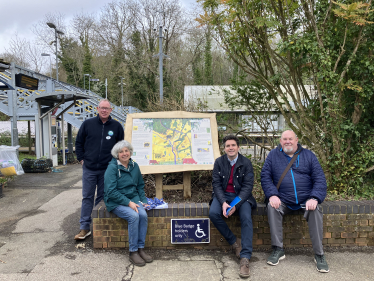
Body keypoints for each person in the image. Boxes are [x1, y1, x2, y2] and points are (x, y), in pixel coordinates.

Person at [261, 130, 329, 273]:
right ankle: (278, 249)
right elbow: (265, 177)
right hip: (283, 199)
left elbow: (320, 180)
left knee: (315, 211)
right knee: (272, 208)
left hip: (306, 199)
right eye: (284, 139)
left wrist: (315, 197)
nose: (287, 141)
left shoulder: (309, 156)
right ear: (280, 141)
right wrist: (272, 195)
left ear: (296, 140)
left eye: (290, 139)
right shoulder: (273, 156)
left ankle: (319, 254)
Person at [74, 99, 124, 240]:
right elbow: (79, 142)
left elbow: (121, 147)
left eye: (106, 108)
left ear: (110, 110)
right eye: (102, 108)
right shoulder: (88, 124)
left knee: (102, 199)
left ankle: (98, 226)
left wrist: (116, 164)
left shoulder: (117, 126)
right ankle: (84, 228)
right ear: (97, 108)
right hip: (89, 168)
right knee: (87, 197)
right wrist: (81, 159)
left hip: (107, 170)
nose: (104, 110)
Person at [209, 135, 257, 278]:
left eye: (233, 145)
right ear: (224, 149)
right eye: (228, 146)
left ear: (238, 147)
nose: (230, 148)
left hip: (241, 197)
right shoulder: (219, 162)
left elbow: (248, 187)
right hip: (223, 196)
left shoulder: (246, 163)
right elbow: (216, 184)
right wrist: (224, 202)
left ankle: (245, 258)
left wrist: (235, 204)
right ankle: (234, 243)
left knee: (246, 218)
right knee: (213, 213)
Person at [104, 140, 152, 266]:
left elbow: (140, 186)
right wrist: (128, 203)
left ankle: (141, 249)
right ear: (117, 154)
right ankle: (133, 252)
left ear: (130, 152)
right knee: (133, 216)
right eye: (121, 152)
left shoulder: (134, 166)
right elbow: (111, 191)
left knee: (143, 215)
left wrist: (144, 201)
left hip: (133, 199)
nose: (124, 154)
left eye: (126, 151)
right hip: (115, 201)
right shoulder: (112, 168)